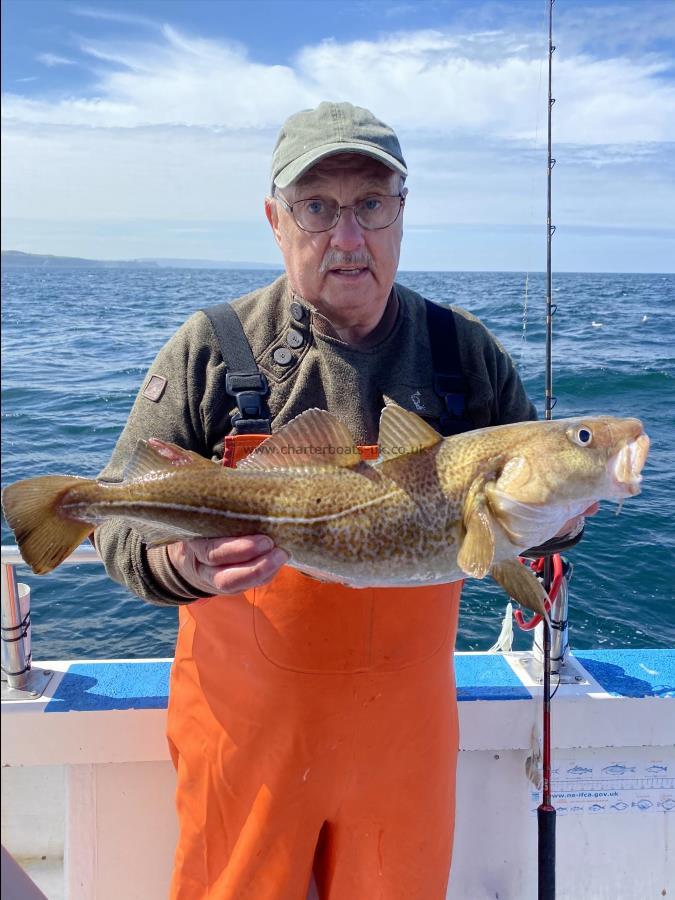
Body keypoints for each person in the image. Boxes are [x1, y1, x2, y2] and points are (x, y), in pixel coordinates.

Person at [96, 101, 588, 900]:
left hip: (404, 740)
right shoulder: (213, 348)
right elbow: (116, 525)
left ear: (401, 215)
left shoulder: (465, 353)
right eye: (317, 207)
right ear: (275, 219)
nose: (347, 236)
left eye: (371, 205)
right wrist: (183, 561)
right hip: (244, 742)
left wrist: (559, 525)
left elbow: (523, 522)